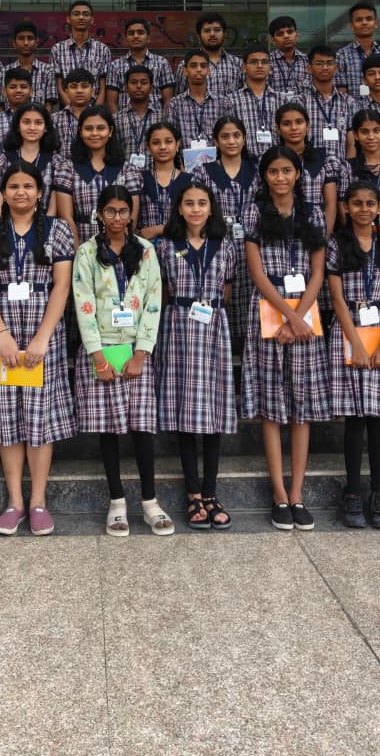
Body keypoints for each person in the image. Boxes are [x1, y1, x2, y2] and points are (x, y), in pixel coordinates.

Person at [0, 163, 76, 536]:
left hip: (41, 335)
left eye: (28, 186)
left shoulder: (58, 230)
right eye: (13, 186)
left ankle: (38, 501)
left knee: (39, 417)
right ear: (3, 193)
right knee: (7, 417)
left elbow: (62, 285)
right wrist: (1, 334)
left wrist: (43, 337)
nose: (20, 192)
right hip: (1, 335)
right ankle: (15, 501)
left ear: (39, 192)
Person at [72, 185, 173, 537]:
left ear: (131, 214)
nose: (117, 217)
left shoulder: (145, 250)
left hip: (135, 351)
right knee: (109, 429)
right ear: (100, 214)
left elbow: (154, 302)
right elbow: (83, 303)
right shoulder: (87, 252)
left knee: (142, 429)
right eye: (110, 211)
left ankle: (150, 501)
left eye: (123, 211)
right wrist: (98, 357)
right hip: (102, 351)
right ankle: (116, 502)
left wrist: (142, 353)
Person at [241, 146, 329, 531]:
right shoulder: (254, 212)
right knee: (272, 405)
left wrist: (299, 317)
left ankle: (297, 493)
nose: (280, 177)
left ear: (297, 174)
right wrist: (290, 317)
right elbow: (257, 273)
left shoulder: (313, 213)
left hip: (305, 314)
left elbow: (318, 272)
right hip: (268, 310)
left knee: (301, 406)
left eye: (287, 170)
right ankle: (278, 492)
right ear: (265, 176)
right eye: (274, 171)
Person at [155, 181, 237, 530]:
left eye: (202, 203)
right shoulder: (165, 247)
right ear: (179, 208)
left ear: (211, 207)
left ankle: (210, 491)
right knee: (185, 410)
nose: (195, 209)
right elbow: (160, 290)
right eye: (188, 203)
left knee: (213, 410)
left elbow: (227, 289)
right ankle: (192, 492)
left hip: (213, 327)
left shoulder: (225, 246)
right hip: (178, 328)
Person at [326, 181, 380, 530]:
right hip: (349, 332)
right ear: (346, 207)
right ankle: (353, 491)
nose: (363, 209)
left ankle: (379, 492)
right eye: (356, 203)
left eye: (369, 203)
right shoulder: (336, 244)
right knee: (355, 417)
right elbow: (336, 298)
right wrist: (356, 343)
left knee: (378, 418)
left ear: (378, 208)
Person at [192, 116, 257, 343]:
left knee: (250, 297)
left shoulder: (256, 169)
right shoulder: (203, 171)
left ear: (244, 139)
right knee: (220, 295)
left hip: (251, 244)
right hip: (216, 243)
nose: (231, 141)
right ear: (216, 141)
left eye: (236, 135)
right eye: (225, 136)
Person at [55, 106, 143, 246]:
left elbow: (131, 217)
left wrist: (118, 250)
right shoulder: (67, 168)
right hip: (81, 242)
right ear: (80, 132)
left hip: (119, 246)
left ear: (110, 131)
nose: (95, 133)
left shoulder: (128, 170)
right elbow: (66, 217)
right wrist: (79, 251)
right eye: (88, 128)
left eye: (101, 128)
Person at [274, 102, 341, 235]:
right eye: (287, 124)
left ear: (308, 126)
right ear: (278, 129)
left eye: (299, 122)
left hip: (316, 228)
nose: (294, 128)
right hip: (281, 228)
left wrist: (324, 238)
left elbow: (331, 204)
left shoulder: (325, 157)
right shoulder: (273, 159)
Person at [0, 103, 61, 215]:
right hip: (8, 224)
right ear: (18, 126)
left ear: (46, 127)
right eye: (26, 122)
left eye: (38, 123)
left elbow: (53, 207)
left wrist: (46, 225)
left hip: (45, 224)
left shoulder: (56, 163)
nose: (32, 127)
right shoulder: (2, 161)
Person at [50, 0, 111, 106]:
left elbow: (103, 87)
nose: (81, 17)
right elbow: (59, 86)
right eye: (76, 14)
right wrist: (72, 109)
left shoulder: (103, 49)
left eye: (85, 14)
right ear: (68, 19)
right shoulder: (57, 49)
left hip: (95, 110)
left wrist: (95, 111)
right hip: (67, 109)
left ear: (92, 19)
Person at [138, 121, 191, 241]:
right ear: (147, 146)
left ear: (177, 144)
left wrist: (159, 229)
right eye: (156, 142)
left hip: (180, 247)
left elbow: (194, 222)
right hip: (145, 248)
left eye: (168, 141)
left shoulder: (190, 180)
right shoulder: (138, 179)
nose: (162, 147)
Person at [105, 18, 174, 111]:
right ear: (126, 39)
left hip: (157, 118)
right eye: (131, 33)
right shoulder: (115, 66)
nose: (136, 36)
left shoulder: (162, 63)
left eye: (140, 32)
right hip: (124, 118)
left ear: (148, 38)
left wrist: (164, 120)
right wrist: (118, 119)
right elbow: (111, 102)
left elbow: (168, 100)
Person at [164, 49, 226, 150]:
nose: (199, 69)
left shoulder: (223, 102)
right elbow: (170, 138)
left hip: (216, 159)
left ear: (208, 71)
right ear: (185, 71)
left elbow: (227, 135)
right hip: (184, 159)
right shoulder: (175, 104)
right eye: (193, 66)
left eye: (203, 66)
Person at [335, 3, 380, 100]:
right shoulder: (341, 55)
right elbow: (341, 92)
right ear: (351, 25)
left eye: (369, 19)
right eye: (359, 20)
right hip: (353, 109)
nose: (364, 23)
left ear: (376, 23)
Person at [303, 44, 356, 155]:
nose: (325, 67)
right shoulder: (300, 101)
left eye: (329, 63)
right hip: (310, 163)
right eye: (319, 63)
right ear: (309, 68)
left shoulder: (348, 102)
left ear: (336, 68)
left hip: (341, 164)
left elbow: (352, 143)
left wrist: (350, 164)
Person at [173, 12, 243, 97]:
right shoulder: (186, 65)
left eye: (217, 30)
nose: (212, 34)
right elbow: (180, 98)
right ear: (198, 36)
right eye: (207, 31)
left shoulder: (238, 64)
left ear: (224, 34)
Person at [225, 45, 278, 157]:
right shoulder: (231, 100)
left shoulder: (281, 99)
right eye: (254, 62)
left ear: (270, 68)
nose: (260, 66)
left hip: (276, 161)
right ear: (244, 68)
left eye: (264, 62)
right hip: (245, 161)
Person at [113, 64, 163, 168]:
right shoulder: (116, 119)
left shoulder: (162, 117)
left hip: (155, 172)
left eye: (144, 83)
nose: (139, 86)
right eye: (133, 82)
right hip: (125, 174)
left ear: (151, 88)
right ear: (126, 87)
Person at [0, 67, 33, 165]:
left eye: (23, 87)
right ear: (4, 92)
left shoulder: (40, 121)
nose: (18, 90)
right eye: (13, 87)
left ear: (31, 91)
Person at [9, 19, 57, 110]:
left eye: (30, 38)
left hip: (39, 119)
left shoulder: (48, 70)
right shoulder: (5, 71)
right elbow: (1, 107)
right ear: (14, 43)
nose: (26, 43)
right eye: (21, 38)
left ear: (36, 42)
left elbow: (49, 107)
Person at [52, 67, 96, 151]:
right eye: (73, 86)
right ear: (66, 91)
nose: (79, 90)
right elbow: (51, 151)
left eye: (84, 86)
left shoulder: (101, 118)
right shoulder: (55, 119)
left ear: (92, 91)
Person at [267, 16, 310, 100]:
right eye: (280, 34)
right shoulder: (266, 62)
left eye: (290, 32)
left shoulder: (308, 61)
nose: (286, 36)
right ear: (273, 40)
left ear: (297, 35)